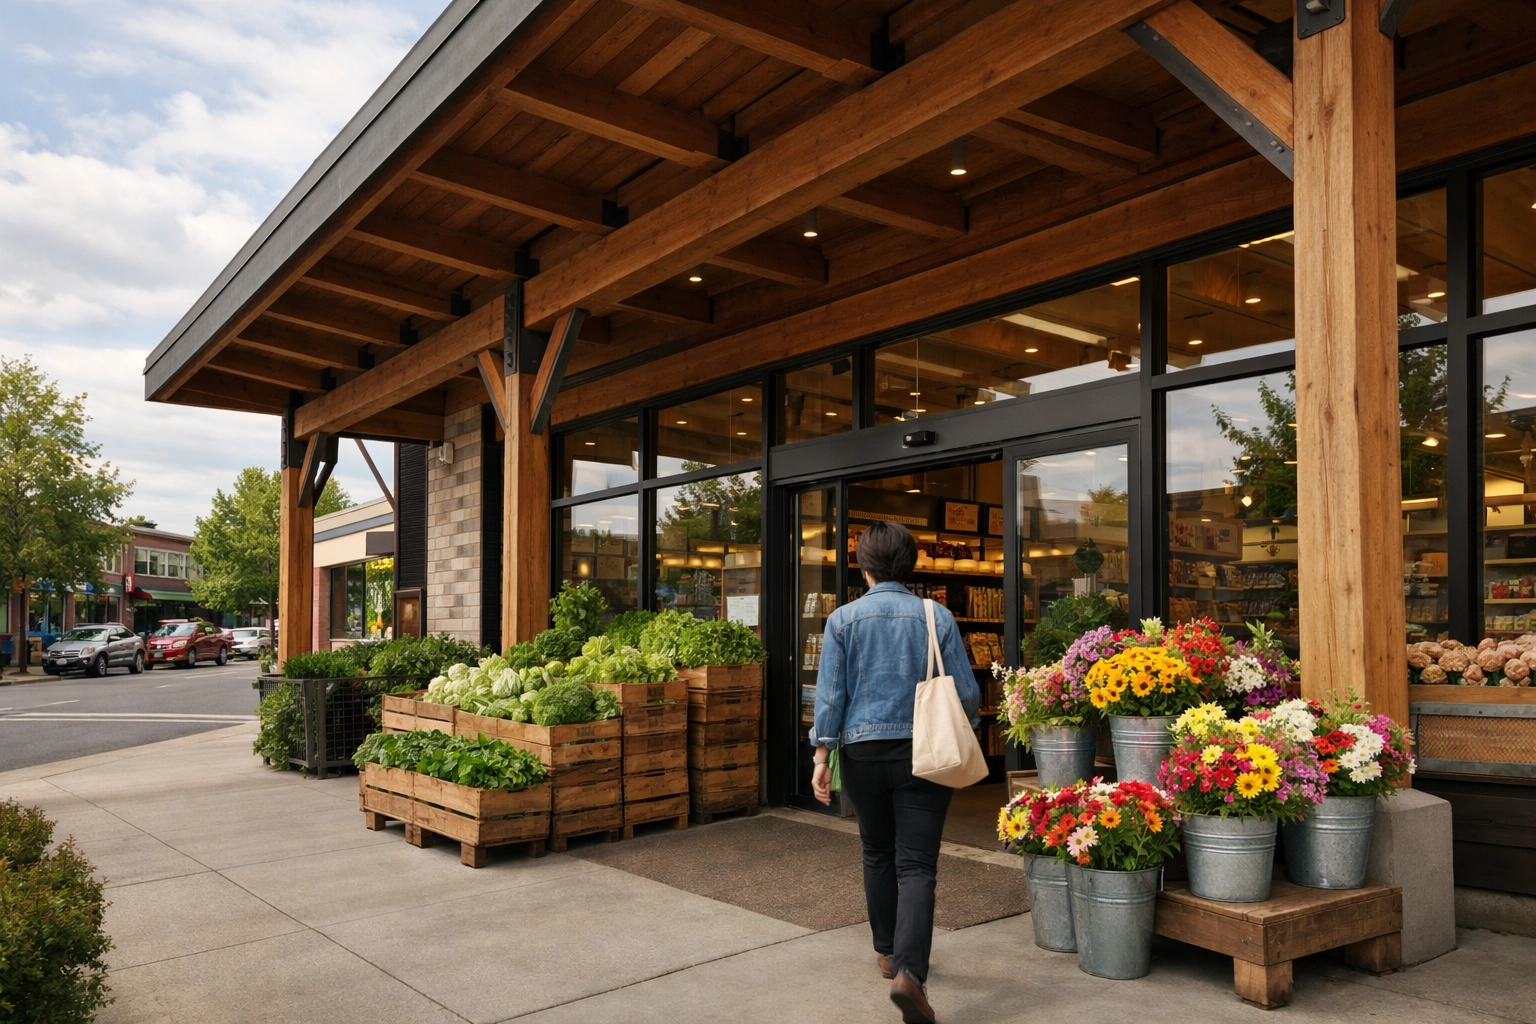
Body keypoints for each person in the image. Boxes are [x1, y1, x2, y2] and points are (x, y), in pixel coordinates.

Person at [810, 521, 979, 1024]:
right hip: (925, 751)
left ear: (862, 567)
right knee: (918, 865)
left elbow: (831, 698)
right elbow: (966, 693)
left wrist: (822, 757)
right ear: (911, 565)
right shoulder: (937, 615)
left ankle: (886, 952)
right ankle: (910, 973)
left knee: (876, 851)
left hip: (861, 754)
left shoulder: (842, 620)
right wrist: (963, 729)